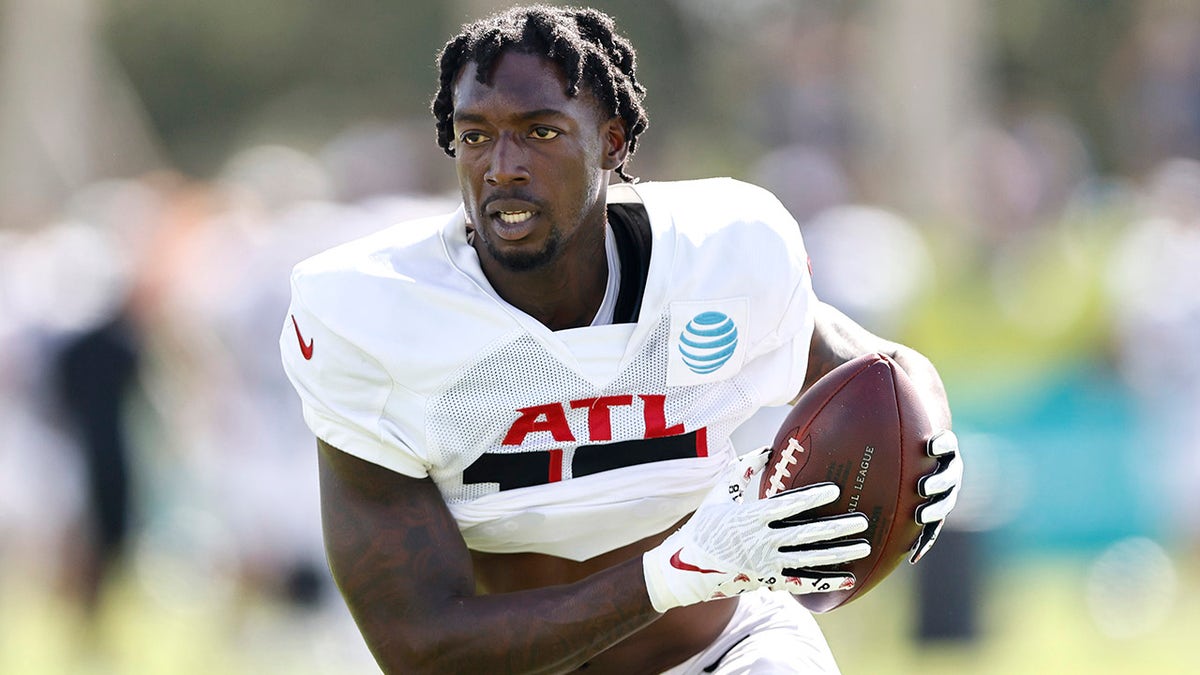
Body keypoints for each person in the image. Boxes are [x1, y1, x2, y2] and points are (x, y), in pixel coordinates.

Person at [279, 5, 962, 673]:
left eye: (540, 132)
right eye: (476, 135)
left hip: (722, 648)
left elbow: (877, 368)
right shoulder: (375, 315)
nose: (502, 166)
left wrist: (928, 430)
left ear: (612, 142)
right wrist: (672, 573)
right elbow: (421, 646)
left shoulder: (719, 255)